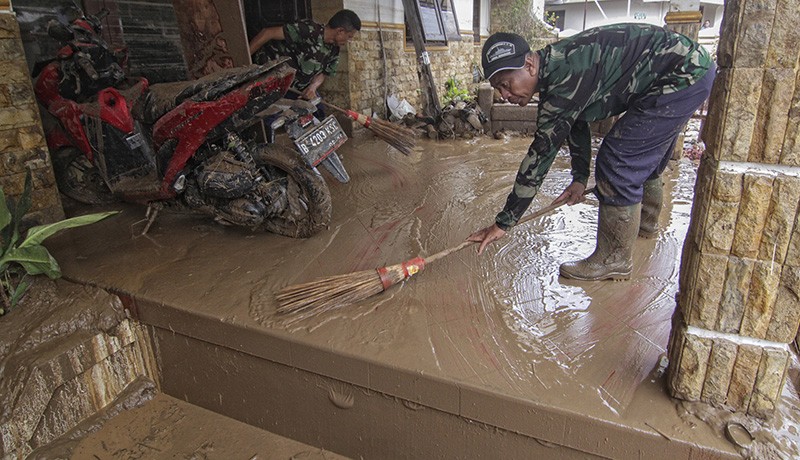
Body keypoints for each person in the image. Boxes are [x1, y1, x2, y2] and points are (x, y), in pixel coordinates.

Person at [467, 24, 715, 281]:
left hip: (682, 76)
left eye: (506, 84)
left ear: (530, 64)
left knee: (618, 159)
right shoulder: (557, 67)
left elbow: (540, 156)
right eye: (498, 88)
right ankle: (645, 225)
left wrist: (504, 222)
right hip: (686, 71)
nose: (504, 95)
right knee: (638, 151)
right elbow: (576, 121)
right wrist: (579, 178)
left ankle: (614, 259)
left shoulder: (563, 80)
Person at [249, 10, 361, 103]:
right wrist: (244, 58)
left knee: (317, 114)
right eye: (349, 36)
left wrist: (313, 87)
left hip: (296, 90)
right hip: (271, 83)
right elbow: (268, 33)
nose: (349, 41)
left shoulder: (334, 48)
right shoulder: (309, 30)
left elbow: (324, 73)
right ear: (340, 31)